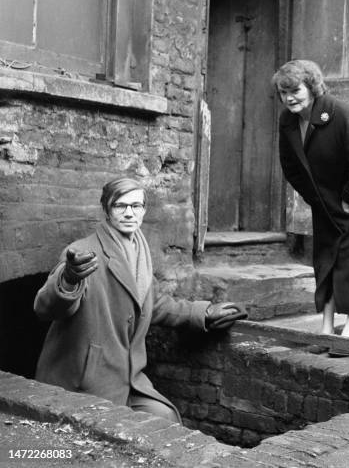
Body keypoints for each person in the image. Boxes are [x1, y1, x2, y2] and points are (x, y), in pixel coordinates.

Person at [34, 177, 246, 423]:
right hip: (84, 382)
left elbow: (151, 304)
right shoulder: (83, 252)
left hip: (129, 377)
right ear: (106, 209)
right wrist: (68, 279)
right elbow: (45, 308)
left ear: (144, 210)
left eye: (136, 206)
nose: (129, 213)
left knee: (166, 418)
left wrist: (202, 314)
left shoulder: (139, 249)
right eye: (120, 206)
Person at [272, 60, 349, 353]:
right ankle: (326, 329)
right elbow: (291, 167)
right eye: (283, 92)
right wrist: (315, 198)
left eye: (296, 90)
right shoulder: (288, 121)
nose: (290, 98)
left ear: (311, 88)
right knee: (325, 260)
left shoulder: (339, 113)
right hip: (325, 203)